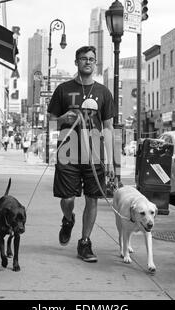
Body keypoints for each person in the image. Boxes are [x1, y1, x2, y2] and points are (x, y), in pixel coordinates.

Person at [47, 45, 115, 263]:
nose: (88, 62)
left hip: (94, 154)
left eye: (92, 59)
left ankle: (84, 242)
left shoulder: (104, 92)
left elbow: (108, 127)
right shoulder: (63, 89)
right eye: (84, 58)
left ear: (95, 63)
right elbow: (49, 122)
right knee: (67, 198)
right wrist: (63, 119)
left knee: (92, 199)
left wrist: (111, 159)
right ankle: (68, 220)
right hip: (68, 152)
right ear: (76, 62)